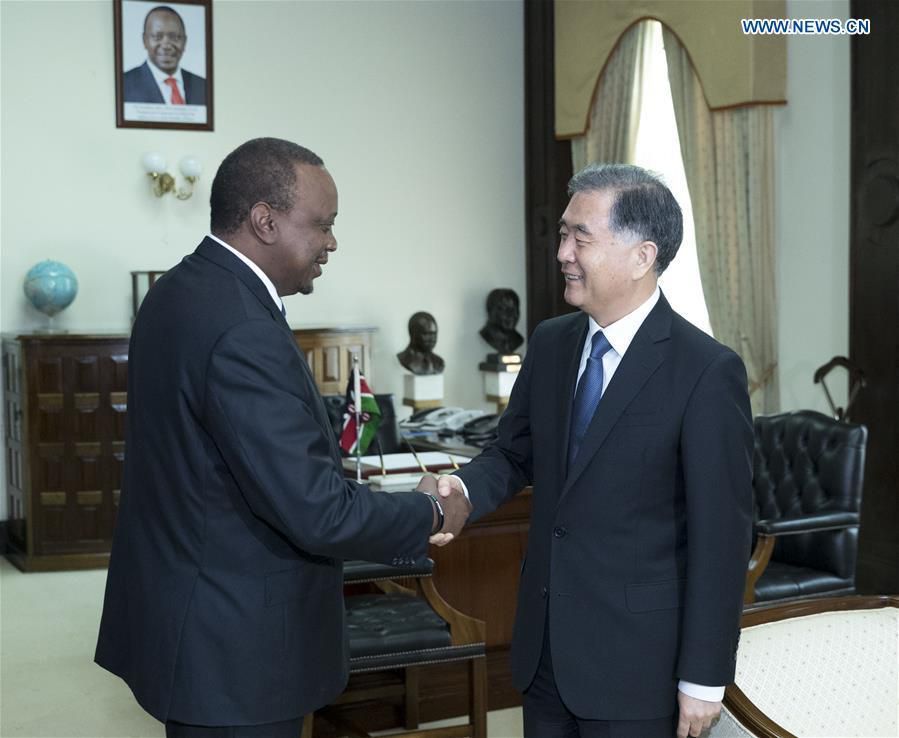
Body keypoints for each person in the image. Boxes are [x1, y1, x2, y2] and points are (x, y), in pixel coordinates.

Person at [94, 137, 471, 738]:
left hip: (191, 620)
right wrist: (429, 510)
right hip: (238, 649)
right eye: (321, 224)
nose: (332, 242)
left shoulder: (177, 291)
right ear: (264, 221)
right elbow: (315, 511)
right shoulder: (242, 326)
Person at [435, 164, 753, 738]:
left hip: (639, 666)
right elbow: (512, 453)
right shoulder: (552, 342)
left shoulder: (705, 370)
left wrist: (704, 677)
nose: (562, 252)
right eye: (562, 234)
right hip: (545, 653)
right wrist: (459, 489)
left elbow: (722, 538)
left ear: (641, 256)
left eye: (581, 236)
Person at [123, 5, 207, 105]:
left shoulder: (203, 86)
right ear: (144, 41)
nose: (166, 45)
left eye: (174, 37)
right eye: (157, 37)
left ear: (184, 42)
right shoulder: (124, 84)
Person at [479, 288, 524, 355]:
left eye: (515, 309)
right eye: (505, 309)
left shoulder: (518, 339)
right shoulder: (486, 335)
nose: (512, 315)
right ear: (491, 311)